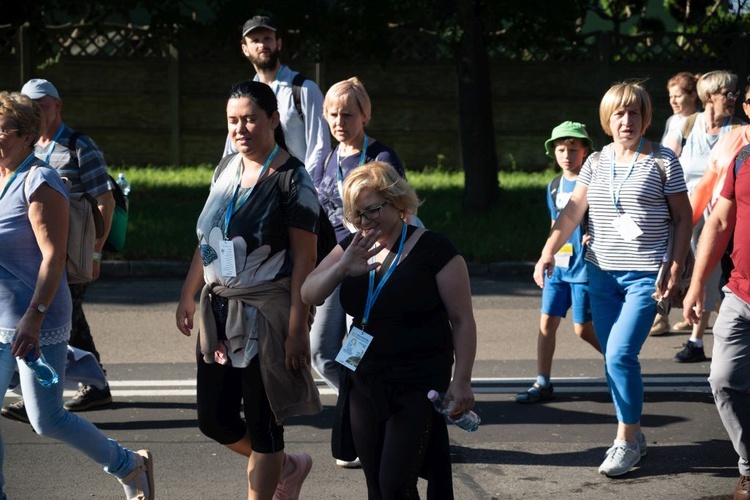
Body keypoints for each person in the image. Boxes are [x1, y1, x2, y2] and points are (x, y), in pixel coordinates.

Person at [0, 91, 153, 500]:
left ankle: (129, 465)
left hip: (36, 318)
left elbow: (53, 258)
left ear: (28, 135)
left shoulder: (40, 181)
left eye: (0, 129)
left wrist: (34, 317)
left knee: (46, 419)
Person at [534, 81, 692, 476]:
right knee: (614, 360)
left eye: (635, 112)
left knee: (621, 354)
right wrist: (547, 250)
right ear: (607, 120)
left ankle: (626, 441)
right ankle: (634, 434)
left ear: (646, 118)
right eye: (619, 113)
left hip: (644, 277)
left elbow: (683, 217)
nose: (627, 120)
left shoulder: (662, 161)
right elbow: (571, 211)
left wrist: (675, 265)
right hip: (599, 274)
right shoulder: (596, 162)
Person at [176, 80, 322, 500]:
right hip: (218, 309)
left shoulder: (294, 181)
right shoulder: (225, 169)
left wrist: (298, 328)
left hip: (266, 314)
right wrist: (189, 291)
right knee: (213, 419)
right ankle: (288, 466)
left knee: (264, 422)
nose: (240, 129)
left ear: (273, 120)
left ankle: (268, 478)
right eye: (232, 121)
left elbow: (304, 263)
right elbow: (208, 239)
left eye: (250, 119)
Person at [301, 161, 477, 499]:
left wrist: (462, 379)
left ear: (397, 202)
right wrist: (341, 269)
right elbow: (309, 292)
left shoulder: (436, 250)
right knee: (377, 485)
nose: (365, 223)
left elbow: (463, 320)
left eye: (372, 211)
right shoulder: (353, 246)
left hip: (418, 382)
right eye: (356, 215)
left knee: (396, 481)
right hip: (364, 378)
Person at [1, 78, 115, 424]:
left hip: (67, 252)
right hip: (24, 273)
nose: (39, 109)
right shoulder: (10, 164)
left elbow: (104, 199)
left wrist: (95, 252)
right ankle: (66, 383)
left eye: (43, 103)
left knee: (66, 319)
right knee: (69, 325)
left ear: (57, 106)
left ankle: (89, 381)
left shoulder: (78, 146)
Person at [310, 77, 405, 396]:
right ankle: (359, 405)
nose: (339, 122)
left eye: (348, 114)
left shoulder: (382, 158)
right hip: (335, 264)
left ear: (365, 115)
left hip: (369, 268)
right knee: (321, 353)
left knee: (356, 355)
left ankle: (367, 413)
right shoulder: (326, 159)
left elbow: (400, 214)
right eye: (333, 114)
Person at [655, 71, 745, 362]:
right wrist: (676, 225)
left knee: (711, 275)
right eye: (727, 94)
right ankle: (669, 314)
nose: (733, 99)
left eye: (736, 94)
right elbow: (665, 168)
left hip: (722, 213)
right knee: (689, 271)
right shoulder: (684, 127)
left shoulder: (739, 132)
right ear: (709, 97)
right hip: (688, 208)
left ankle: (696, 339)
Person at [516, 121, 601, 404]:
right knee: (546, 323)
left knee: (583, 329)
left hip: (584, 269)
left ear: (586, 151)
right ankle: (542, 383)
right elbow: (556, 223)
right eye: (561, 149)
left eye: (574, 149)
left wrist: (597, 235)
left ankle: (620, 361)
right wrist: (546, 255)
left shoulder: (594, 182)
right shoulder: (554, 186)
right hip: (559, 267)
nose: (567, 155)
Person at [683, 142, 750, 500]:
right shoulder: (743, 158)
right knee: (723, 381)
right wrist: (696, 285)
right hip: (740, 294)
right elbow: (720, 221)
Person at [222, 15, 330, 175]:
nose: (262, 45)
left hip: (295, 189)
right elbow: (233, 149)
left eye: (267, 39)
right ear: (245, 49)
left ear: (278, 43)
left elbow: (320, 147)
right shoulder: (243, 98)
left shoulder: (305, 90)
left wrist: (306, 191)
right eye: (255, 40)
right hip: (255, 191)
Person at [661, 72, 700, 141]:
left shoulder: (701, 121)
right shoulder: (671, 120)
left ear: (693, 96)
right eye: (671, 97)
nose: (673, 101)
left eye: (677, 96)